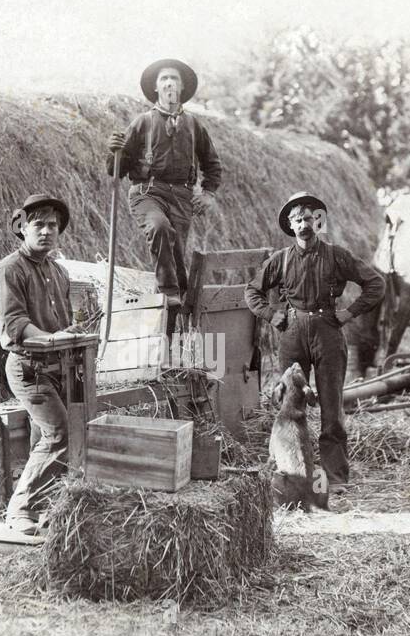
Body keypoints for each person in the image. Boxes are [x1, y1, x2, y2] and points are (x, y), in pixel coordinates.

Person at [244, 192, 386, 490]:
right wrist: (272, 315)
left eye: (308, 218)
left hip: (328, 333)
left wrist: (348, 313)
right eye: (297, 220)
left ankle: (335, 478)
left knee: (331, 409)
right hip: (292, 333)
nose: (303, 225)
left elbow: (375, 284)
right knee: (289, 408)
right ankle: (293, 474)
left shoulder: (337, 255)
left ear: (317, 221)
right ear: (290, 226)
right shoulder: (280, 261)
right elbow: (251, 291)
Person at [106, 58, 223, 326]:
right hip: (148, 192)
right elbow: (117, 170)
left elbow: (212, 164)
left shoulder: (194, 125)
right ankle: (169, 293)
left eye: (174, 79)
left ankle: (175, 325)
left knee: (178, 255)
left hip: (182, 198)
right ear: (157, 88)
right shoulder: (143, 122)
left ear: (181, 88)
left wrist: (208, 193)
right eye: (164, 79)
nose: (169, 83)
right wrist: (114, 150)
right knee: (159, 228)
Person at [0, 194, 82, 535]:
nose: (46, 232)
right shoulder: (10, 269)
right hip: (29, 367)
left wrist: (67, 333)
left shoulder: (58, 271)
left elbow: (60, 322)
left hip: (58, 364)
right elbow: (15, 324)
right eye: (39, 225)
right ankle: (20, 508)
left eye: (53, 226)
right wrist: (49, 338)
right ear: (22, 228)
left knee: (43, 437)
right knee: (61, 433)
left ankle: (43, 508)